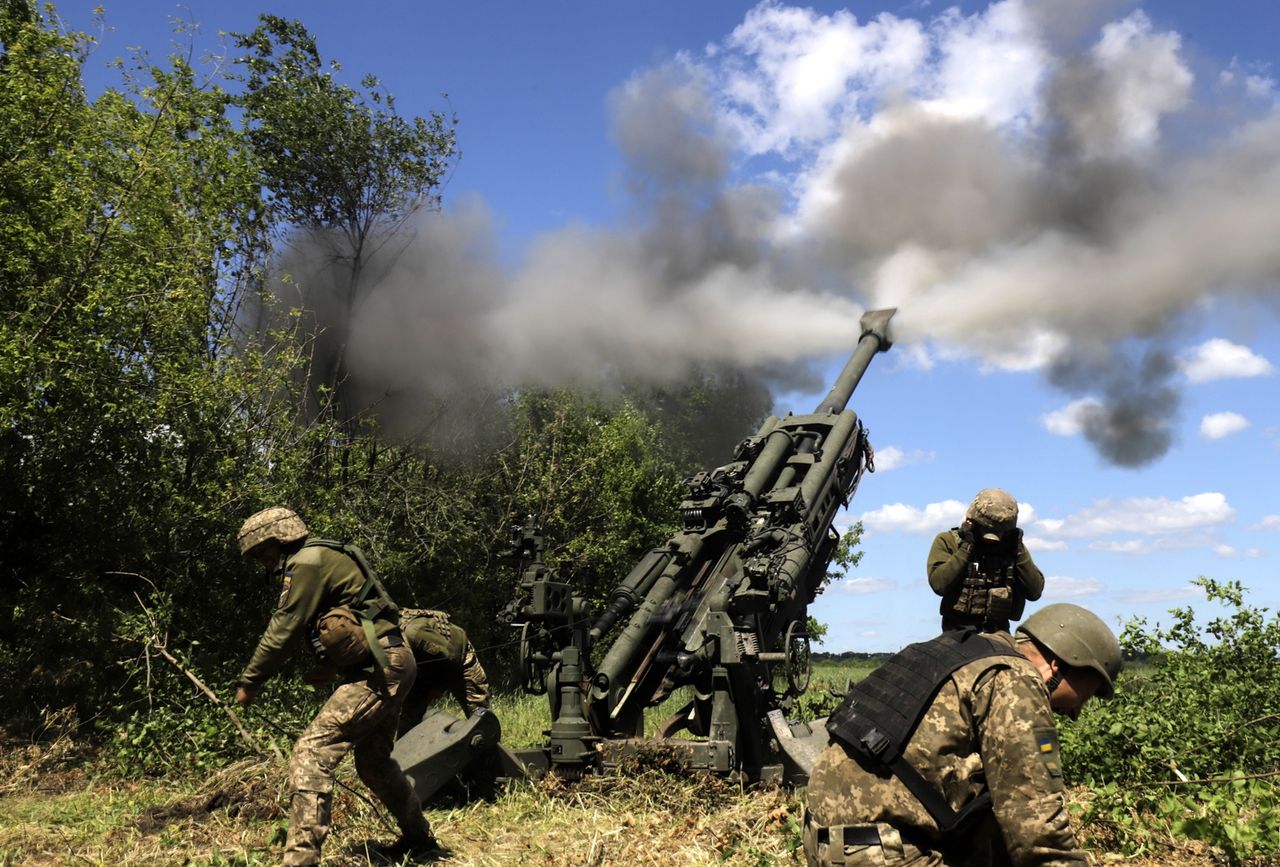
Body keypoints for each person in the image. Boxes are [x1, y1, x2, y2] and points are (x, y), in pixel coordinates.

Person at [804, 603, 1122, 867]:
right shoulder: (1017, 680)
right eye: (1087, 694)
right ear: (1058, 665)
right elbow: (1037, 826)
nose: (1077, 712)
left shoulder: (962, 654)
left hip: (827, 839)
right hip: (882, 852)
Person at [233, 507, 442, 865]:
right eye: (254, 557)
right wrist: (330, 667)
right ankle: (420, 840)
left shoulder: (306, 562)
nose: (261, 561)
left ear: (281, 537)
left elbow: (283, 629)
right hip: (389, 662)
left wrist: (250, 682)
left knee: (310, 755)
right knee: (374, 763)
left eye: (262, 551)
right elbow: (356, 618)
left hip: (380, 667)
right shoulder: (320, 556)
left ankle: (301, 861)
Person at [928, 488, 1045, 633]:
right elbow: (939, 584)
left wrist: (1018, 549)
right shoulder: (949, 541)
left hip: (998, 633)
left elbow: (1034, 591)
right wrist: (966, 547)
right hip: (957, 633)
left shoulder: (1012, 548)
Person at [397, 608, 492, 735]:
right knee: (408, 724)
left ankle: (493, 752)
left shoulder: (414, 633)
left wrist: (438, 687)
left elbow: (449, 657)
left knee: (479, 718)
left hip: (460, 658)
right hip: (423, 669)